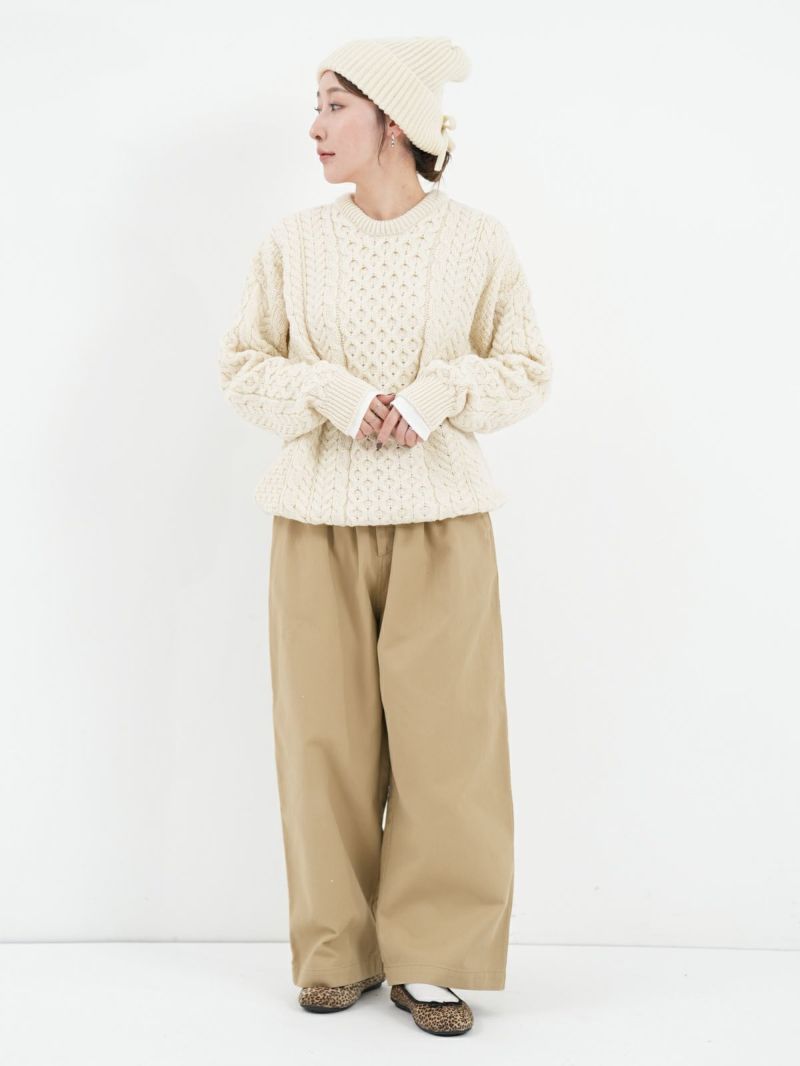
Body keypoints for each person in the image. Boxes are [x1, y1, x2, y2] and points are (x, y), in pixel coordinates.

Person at [219, 36, 553, 1037]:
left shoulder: (477, 241)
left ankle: (432, 957)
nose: (315, 126)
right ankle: (336, 949)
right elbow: (243, 367)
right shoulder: (291, 244)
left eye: (335, 105)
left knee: (448, 745)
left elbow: (526, 366)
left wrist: (440, 390)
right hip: (315, 518)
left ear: (394, 121)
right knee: (321, 739)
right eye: (316, 104)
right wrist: (329, 390)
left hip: (442, 519)